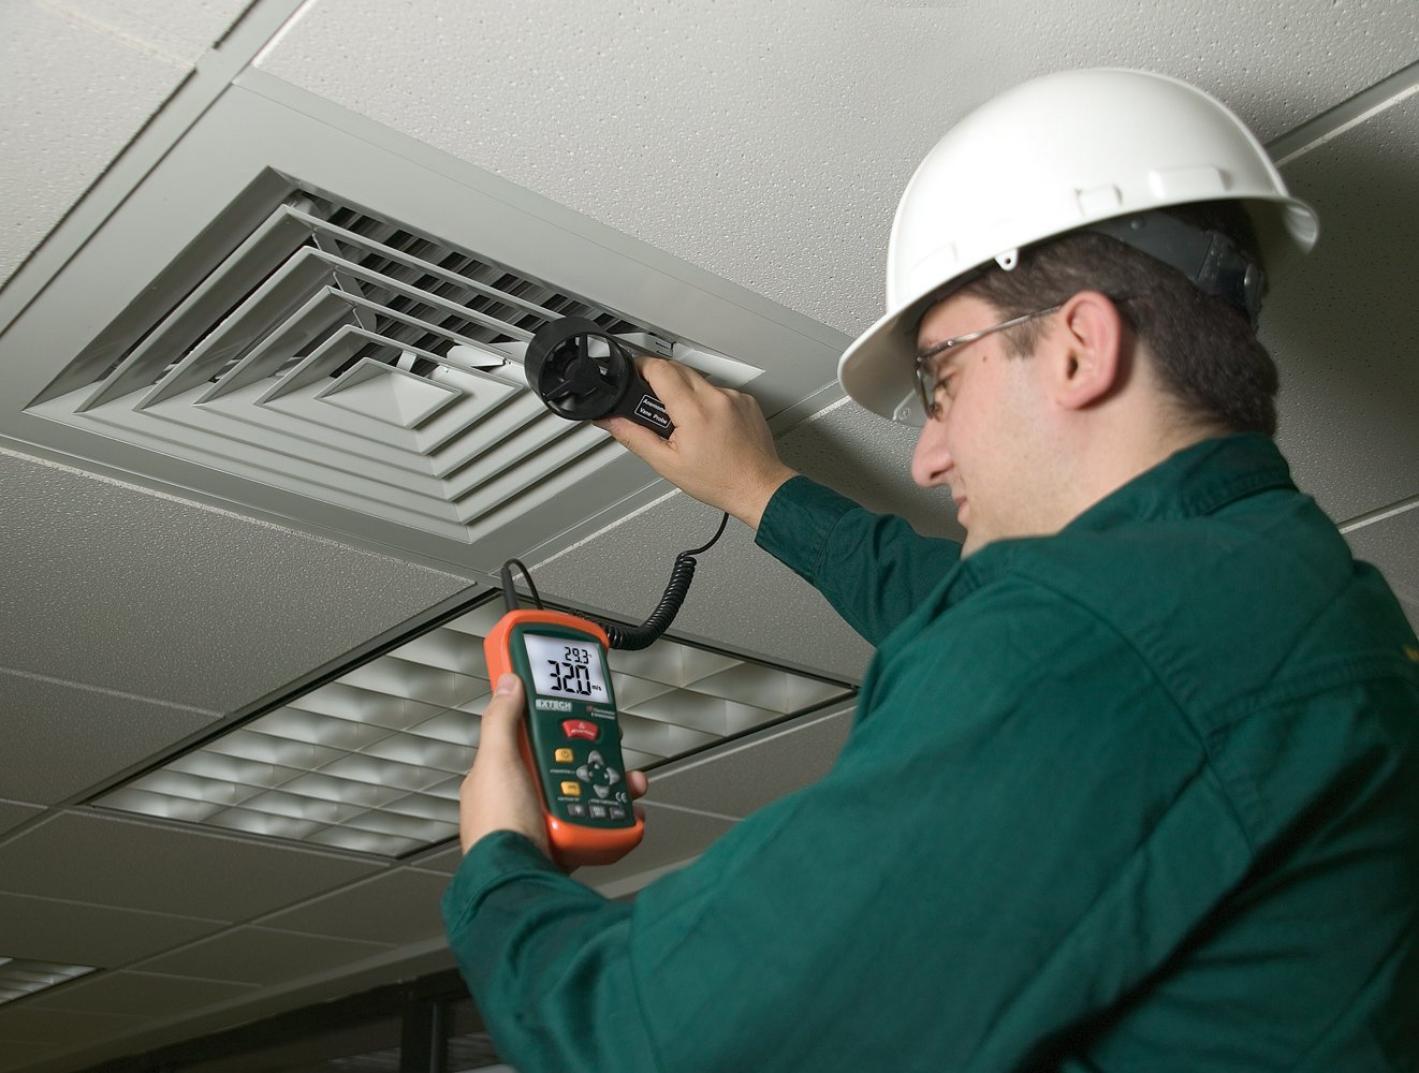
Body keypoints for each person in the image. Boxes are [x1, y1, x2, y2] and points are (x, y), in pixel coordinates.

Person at [444, 68, 1419, 1071]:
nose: (926, 456)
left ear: (1079, 347)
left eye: (942, 380)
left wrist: (498, 863)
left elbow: (639, 1037)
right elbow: (966, 607)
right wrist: (761, 489)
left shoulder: (1096, 643)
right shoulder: (1294, 594)